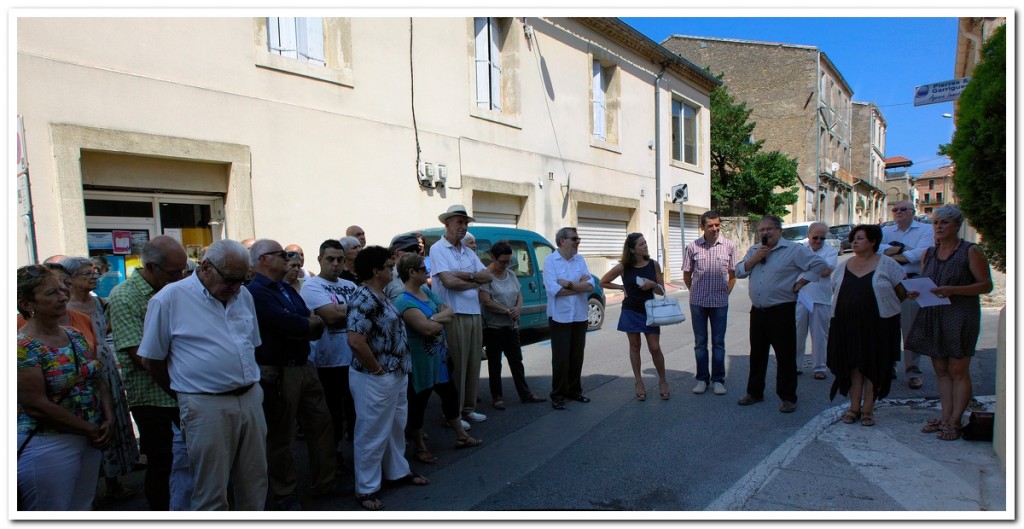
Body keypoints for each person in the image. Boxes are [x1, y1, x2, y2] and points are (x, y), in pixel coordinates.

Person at [137, 239, 268, 510]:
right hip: (205, 403)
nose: (235, 288)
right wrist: (185, 394)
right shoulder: (169, 299)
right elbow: (152, 360)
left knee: (255, 480)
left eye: (242, 280)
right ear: (206, 267)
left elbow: (251, 345)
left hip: (250, 397)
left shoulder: (242, 294)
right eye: (230, 280)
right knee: (210, 489)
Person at [16, 265, 114, 510]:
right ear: (27, 303)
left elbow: (97, 377)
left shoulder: (74, 335)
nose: (62, 297)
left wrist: (109, 419)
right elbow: (36, 406)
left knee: (82, 507)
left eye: (62, 290)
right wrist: (90, 429)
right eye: (51, 293)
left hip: (90, 437)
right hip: (48, 443)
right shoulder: (21, 346)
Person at [245, 239, 332, 510]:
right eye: (282, 254)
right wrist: (305, 323)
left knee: (321, 425)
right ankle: (285, 493)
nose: (290, 258)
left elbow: (309, 319)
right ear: (264, 260)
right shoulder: (255, 292)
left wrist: (305, 323)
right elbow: (286, 323)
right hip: (279, 370)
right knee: (281, 435)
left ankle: (324, 483)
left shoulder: (287, 288)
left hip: (305, 365)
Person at [106, 235, 189, 510]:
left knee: (192, 459)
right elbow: (143, 358)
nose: (180, 277)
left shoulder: (177, 289)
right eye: (174, 272)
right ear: (152, 268)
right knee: (162, 461)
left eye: (184, 271)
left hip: (183, 389)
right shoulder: (124, 296)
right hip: (153, 396)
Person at [347, 246, 429, 511]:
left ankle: (397, 471)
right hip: (377, 377)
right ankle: (366, 488)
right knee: (371, 432)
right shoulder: (363, 297)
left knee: (395, 426)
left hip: (394, 374)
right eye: (387, 265)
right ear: (375, 271)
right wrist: (378, 371)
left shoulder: (379, 294)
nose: (392, 269)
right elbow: (356, 341)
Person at [905, 205, 993, 441]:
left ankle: (955, 421)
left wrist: (954, 290)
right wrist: (917, 291)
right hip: (934, 313)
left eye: (944, 222)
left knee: (958, 369)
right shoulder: (929, 254)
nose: (939, 227)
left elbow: (985, 285)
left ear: (957, 225)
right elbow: (928, 281)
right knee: (941, 371)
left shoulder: (970, 251)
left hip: (961, 314)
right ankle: (945, 417)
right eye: (935, 223)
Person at [734, 215, 829, 413]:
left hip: (781, 310)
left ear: (779, 231)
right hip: (758, 311)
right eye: (761, 230)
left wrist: (801, 283)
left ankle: (787, 397)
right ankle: (754, 392)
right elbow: (739, 272)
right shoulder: (754, 250)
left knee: (785, 356)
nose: (765, 233)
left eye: (769, 229)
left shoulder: (793, 250)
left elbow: (819, 265)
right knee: (757, 354)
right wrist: (755, 258)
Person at [62, 257, 139, 501]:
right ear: (71, 279)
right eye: (86, 273)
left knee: (113, 418)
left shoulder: (99, 303)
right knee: (91, 421)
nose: (94, 276)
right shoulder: (65, 307)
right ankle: (90, 486)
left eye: (95, 272)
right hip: (82, 368)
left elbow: (105, 328)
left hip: (105, 365)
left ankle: (114, 481)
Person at [395, 253, 482, 464]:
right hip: (421, 363)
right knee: (418, 405)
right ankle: (420, 447)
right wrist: (437, 320)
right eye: (423, 269)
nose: (428, 272)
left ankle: (461, 435)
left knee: (450, 397)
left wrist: (433, 318)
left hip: (440, 361)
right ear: (411, 272)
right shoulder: (403, 300)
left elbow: (449, 311)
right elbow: (426, 330)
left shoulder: (426, 291)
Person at [826, 225, 906, 427]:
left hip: (878, 325)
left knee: (874, 366)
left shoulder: (888, 264)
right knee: (853, 366)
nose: (854, 242)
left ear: (873, 242)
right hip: (847, 325)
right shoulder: (843, 266)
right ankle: (854, 408)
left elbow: (902, 291)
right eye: (853, 238)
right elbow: (835, 289)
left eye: (860, 238)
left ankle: (868, 409)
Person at [429, 205, 493, 423]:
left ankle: (468, 408)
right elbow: (448, 282)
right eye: (459, 222)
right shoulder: (438, 249)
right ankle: (453, 415)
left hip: (473, 312)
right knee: (457, 365)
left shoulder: (467, 251)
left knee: (473, 362)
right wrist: (474, 280)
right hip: (453, 314)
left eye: (465, 223)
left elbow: (488, 276)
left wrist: (464, 277)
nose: (463, 227)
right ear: (447, 224)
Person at [300, 239, 359, 473]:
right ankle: (332, 458)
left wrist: (338, 310)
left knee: (355, 413)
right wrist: (351, 310)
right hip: (328, 363)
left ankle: (358, 457)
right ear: (320, 260)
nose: (335, 264)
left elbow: (366, 313)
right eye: (330, 259)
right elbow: (331, 318)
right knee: (332, 416)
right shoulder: (312, 286)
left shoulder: (350, 285)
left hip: (354, 359)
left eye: (340, 260)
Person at [599, 233, 670, 401]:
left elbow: (662, 290)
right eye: (641, 244)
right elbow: (603, 282)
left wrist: (653, 285)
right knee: (634, 346)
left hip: (650, 310)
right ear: (632, 249)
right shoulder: (624, 266)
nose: (645, 246)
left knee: (654, 347)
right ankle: (638, 381)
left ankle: (663, 380)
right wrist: (622, 288)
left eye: (645, 242)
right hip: (630, 310)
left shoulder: (653, 265)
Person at [480, 241, 547, 408]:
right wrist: (506, 311)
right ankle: (497, 397)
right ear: (493, 257)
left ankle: (525, 394)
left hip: (512, 326)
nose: (505, 264)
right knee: (495, 363)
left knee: (516, 361)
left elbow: (519, 295)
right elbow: (486, 301)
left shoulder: (510, 274)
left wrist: (517, 308)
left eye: (508, 261)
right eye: (502, 261)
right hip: (493, 327)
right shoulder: (485, 275)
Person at [880, 200, 935, 389]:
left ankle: (913, 371)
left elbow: (923, 253)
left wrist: (894, 252)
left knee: (910, 329)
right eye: (895, 209)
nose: (898, 212)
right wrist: (905, 250)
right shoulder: (886, 231)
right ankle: (889, 367)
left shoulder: (925, 230)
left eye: (903, 209)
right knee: (888, 327)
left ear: (913, 211)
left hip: (912, 281)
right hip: (890, 283)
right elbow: (878, 252)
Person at [683, 211, 737, 396]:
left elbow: (732, 274)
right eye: (710, 225)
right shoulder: (692, 247)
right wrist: (696, 292)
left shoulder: (729, 246)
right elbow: (687, 274)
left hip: (720, 303)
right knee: (700, 343)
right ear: (702, 227)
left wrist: (725, 293)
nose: (714, 228)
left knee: (718, 342)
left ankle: (718, 380)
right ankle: (702, 379)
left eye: (717, 225)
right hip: (698, 302)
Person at [543, 227, 595, 410]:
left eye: (578, 239)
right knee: (561, 358)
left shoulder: (580, 260)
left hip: (579, 315)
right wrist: (579, 286)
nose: (577, 242)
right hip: (560, 317)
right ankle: (557, 394)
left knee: (576, 356)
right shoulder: (550, 261)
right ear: (562, 241)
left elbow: (590, 286)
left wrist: (569, 284)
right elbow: (553, 290)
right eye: (574, 239)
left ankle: (574, 390)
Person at [795, 223, 838, 380]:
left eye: (822, 238)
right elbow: (793, 267)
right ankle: (796, 365)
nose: (818, 241)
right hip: (801, 296)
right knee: (797, 332)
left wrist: (805, 268)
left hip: (820, 297)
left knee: (820, 334)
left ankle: (819, 367)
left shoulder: (831, 251)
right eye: (815, 237)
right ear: (809, 235)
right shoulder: (799, 248)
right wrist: (815, 267)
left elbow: (826, 272)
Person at [385, 233, 424, 301]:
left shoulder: (420, 273)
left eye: (417, 250)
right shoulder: (389, 276)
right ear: (396, 254)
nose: (415, 254)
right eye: (410, 250)